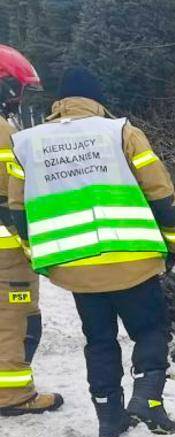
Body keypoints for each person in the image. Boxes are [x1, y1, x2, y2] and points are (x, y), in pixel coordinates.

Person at [6, 66, 175, 437]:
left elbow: (18, 209)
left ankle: (109, 419)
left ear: (59, 102)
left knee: (100, 341)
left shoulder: (26, 143)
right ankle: (149, 401)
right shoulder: (121, 132)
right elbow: (158, 190)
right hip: (134, 259)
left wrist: (35, 255)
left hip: (79, 269)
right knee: (151, 330)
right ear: (96, 100)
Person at [0, 44, 63, 416]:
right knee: (16, 319)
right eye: (19, 90)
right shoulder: (4, 134)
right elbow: (16, 198)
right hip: (7, 257)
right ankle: (12, 395)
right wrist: (34, 247)